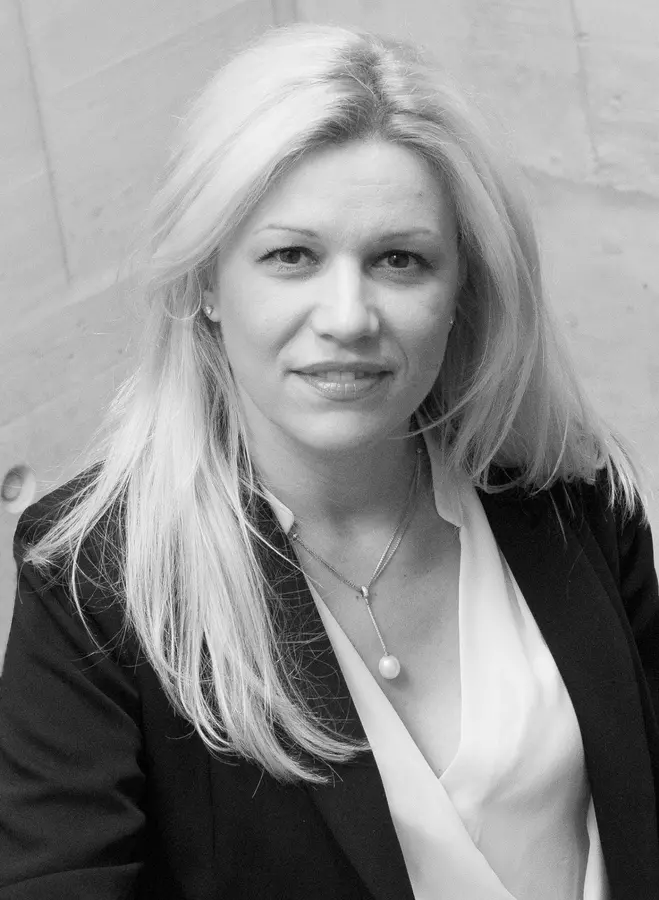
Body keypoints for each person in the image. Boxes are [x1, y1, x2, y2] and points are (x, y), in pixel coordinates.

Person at [1, 21, 658, 900]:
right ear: (206, 282)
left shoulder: (565, 490)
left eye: (399, 259)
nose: (348, 316)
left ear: (461, 288)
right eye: (292, 256)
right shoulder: (94, 584)